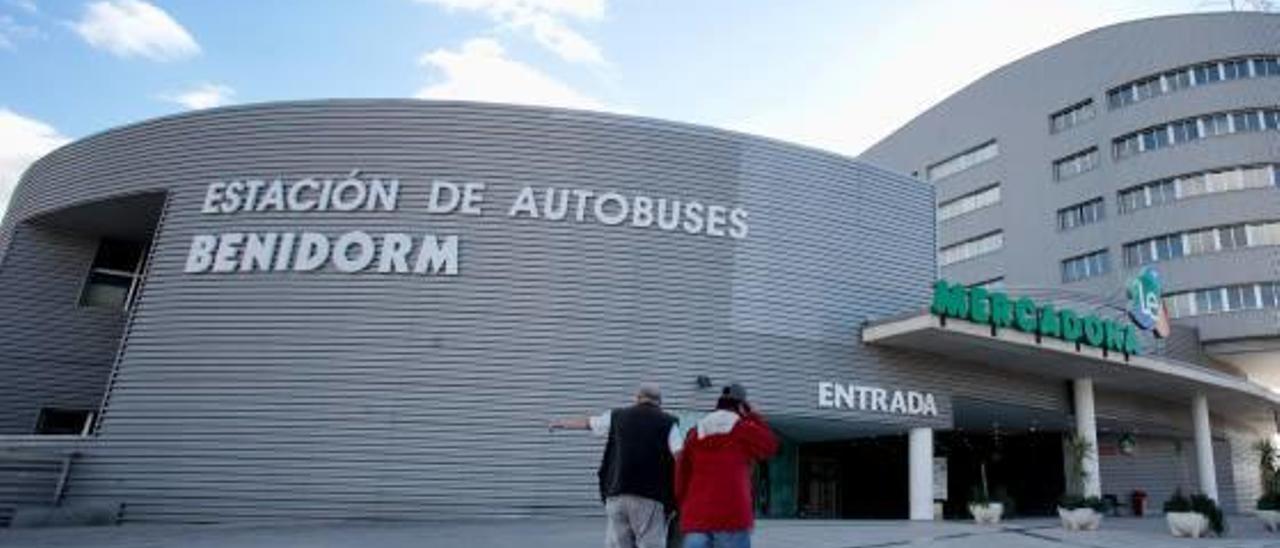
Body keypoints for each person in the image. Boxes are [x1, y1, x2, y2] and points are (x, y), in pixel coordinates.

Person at [550, 383, 683, 548]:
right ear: (659, 402)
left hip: (617, 495)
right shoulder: (668, 422)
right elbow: (680, 456)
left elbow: (589, 423)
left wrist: (561, 423)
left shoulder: (617, 416)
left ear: (637, 398)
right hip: (650, 498)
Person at [675, 384, 777, 548]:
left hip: (696, 516)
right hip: (732, 515)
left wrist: (682, 504)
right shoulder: (743, 430)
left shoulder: (694, 433)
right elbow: (770, 445)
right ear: (740, 406)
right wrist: (752, 416)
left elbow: (681, 473)